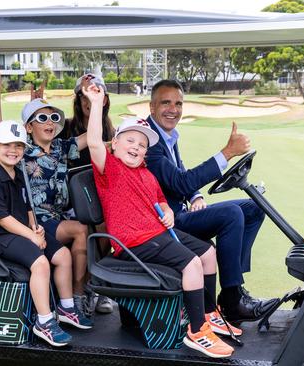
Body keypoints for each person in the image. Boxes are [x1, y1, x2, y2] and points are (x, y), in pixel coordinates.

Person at [84, 83, 235, 358]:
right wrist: (96, 104)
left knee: (208, 253)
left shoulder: (146, 174)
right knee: (191, 264)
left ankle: (209, 313)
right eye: (130, 140)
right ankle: (197, 330)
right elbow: (94, 141)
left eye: (142, 145)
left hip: (157, 234)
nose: (136, 147)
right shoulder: (109, 169)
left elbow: (161, 200)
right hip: (133, 242)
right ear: (115, 143)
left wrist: (166, 211)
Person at [144, 79, 275, 323]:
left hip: (179, 211)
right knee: (231, 214)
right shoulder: (149, 142)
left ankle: (235, 283)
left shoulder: (167, 135)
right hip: (165, 222)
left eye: (178, 103)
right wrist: (227, 153)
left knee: (254, 208)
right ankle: (232, 298)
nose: (173, 109)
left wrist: (196, 195)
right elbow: (180, 182)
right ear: (152, 107)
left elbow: (178, 175)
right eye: (166, 103)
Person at [0, 120, 93, 347]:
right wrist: (31, 236)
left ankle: (67, 308)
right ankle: (44, 322)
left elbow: (27, 206)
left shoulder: (16, 173)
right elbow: (3, 219)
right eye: (7, 145)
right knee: (41, 263)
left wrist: (35, 226)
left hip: (20, 231)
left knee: (63, 257)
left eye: (18, 146)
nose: (13, 151)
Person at [20, 97, 92, 317]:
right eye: (42, 118)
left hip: (57, 215)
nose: (50, 122)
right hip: (36, 219)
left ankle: (88, 289)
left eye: (53, 117)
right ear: (29, 127)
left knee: (97, 225)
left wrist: (96, 103)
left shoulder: (60, 147)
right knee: (81, 229)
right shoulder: (22, 151)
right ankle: (76, 298)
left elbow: (91, 137)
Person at [58, 73, 116, 314]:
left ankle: (99, 284)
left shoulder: (111, 129)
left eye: (94, 94)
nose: (88, 100)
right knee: (97, 224)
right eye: (83, 95)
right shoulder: (67, 129)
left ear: (104, 98)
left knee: (108, 227)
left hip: (101, 196)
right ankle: (91, 287)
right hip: (73, 199)